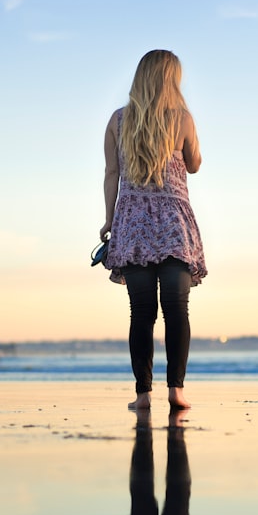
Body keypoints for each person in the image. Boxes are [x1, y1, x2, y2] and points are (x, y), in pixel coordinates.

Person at [99, 50, 206, 410]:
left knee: (141, 313)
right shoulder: (183, 119)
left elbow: (111, 174)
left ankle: (143, 395)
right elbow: (195, 165)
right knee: (177, 308)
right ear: (171, 79)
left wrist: (109, 220)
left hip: (132, 223)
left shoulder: (117, 121)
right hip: (174, 223)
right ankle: (176, 391)